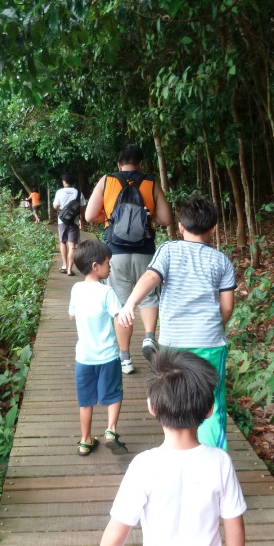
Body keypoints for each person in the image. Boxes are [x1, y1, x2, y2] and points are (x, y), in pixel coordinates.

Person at [92, 350, 246, 546]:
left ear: (152, 407)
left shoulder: (143, 466)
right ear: (209, 409)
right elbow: (235, 529)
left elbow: (117, 529)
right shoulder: (220, 462)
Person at [118, 194, 236, 450]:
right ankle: (214, 460)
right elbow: (227, 306)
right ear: (213, 228)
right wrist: (216, 326)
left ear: (181, 227)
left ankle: (178, 453)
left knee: (175, 399)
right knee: (211, 402)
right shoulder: (222, 261)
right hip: (210, 343)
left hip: (174, 344)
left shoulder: (169, 249)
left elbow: (151, 277)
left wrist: (130, 304)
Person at [84, 144, 173, 374]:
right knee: (149, 296)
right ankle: (150, 338)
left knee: (122, 305)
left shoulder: (107, 180)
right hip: (145, 251)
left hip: (115, 253)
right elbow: (166, 219)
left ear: (119, 164)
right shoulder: (150, 182)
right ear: (141, 163)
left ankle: (125, 359)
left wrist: (110, 217)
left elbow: (89, 215)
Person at [70, 239, 126, 456]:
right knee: (113, 395)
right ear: (96, 266)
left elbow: (72, 313)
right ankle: (111, 430)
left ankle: (85, 441)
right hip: (108, 356)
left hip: (84, 357)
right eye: (107, 262)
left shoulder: (76, 289)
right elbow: (120, 318)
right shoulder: (106, 292)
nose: (109, 266)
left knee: (85, 402)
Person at [56, 171, 85, 275]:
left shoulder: (59, 192)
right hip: (74, 221)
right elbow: (82, 209)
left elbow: (55, 206)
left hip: (62, 221)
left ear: (64, 182)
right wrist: (81, 220)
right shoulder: (78, 192)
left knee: (63, 242)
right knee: (72, 245)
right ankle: (69, 269)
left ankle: (64, 264)